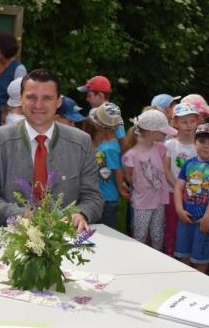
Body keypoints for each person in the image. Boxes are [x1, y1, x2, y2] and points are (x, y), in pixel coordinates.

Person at [0, 69, 103, 231]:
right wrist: (24, 216)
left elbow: (93, 196)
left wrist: (81, 214)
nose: (38, 105)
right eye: (31, 97)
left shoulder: (81, 142)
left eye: (47, 98)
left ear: (58, 101)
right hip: (8, 238)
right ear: (20, 99)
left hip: (65, 239)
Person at [174, 123, 209, 272]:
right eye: (202, 141)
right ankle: (185, 281)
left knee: (201, 257)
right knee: (183, 253)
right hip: (186, 216)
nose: (205, 146)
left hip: (205, 219)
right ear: (194, 142)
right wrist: (179, 209)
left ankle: (199, 282)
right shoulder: (188, 163)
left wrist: (207, 218)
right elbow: (178, 188)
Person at [122, 110, 177, 250]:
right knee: (140, 235)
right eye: (163, 132)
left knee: (158, 234)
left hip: (159, 200)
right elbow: (128, 176)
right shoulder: (132, 155)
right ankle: (139, 259)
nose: (165, 135)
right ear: (152, 133)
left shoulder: (160, 148)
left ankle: (156, 258)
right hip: (142, 203)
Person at [162, 103, 201, 257]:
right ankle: (170, 255)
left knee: (191, 227)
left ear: (197, 122)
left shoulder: (200, 145)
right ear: (175, 123)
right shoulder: (170, 144)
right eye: (184, 122)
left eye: (192, 121)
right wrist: (178, 187)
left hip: (195, 196)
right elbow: (165, 168)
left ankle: (188, 257)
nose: (189, 125)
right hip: (172, 193)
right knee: (172, 226)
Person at [82, 102, 125, 230]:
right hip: (97, 196)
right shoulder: (100, 143)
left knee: (106, 230)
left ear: (100, 126)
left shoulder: (110, 148)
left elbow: (117, 171)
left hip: (107, 198)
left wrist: (120, 189)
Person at [77, 75, 126, 147]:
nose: (87, 99)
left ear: (100, 95)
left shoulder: (112, 115)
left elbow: (123, 143)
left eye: (89, 96)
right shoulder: (93, 113)